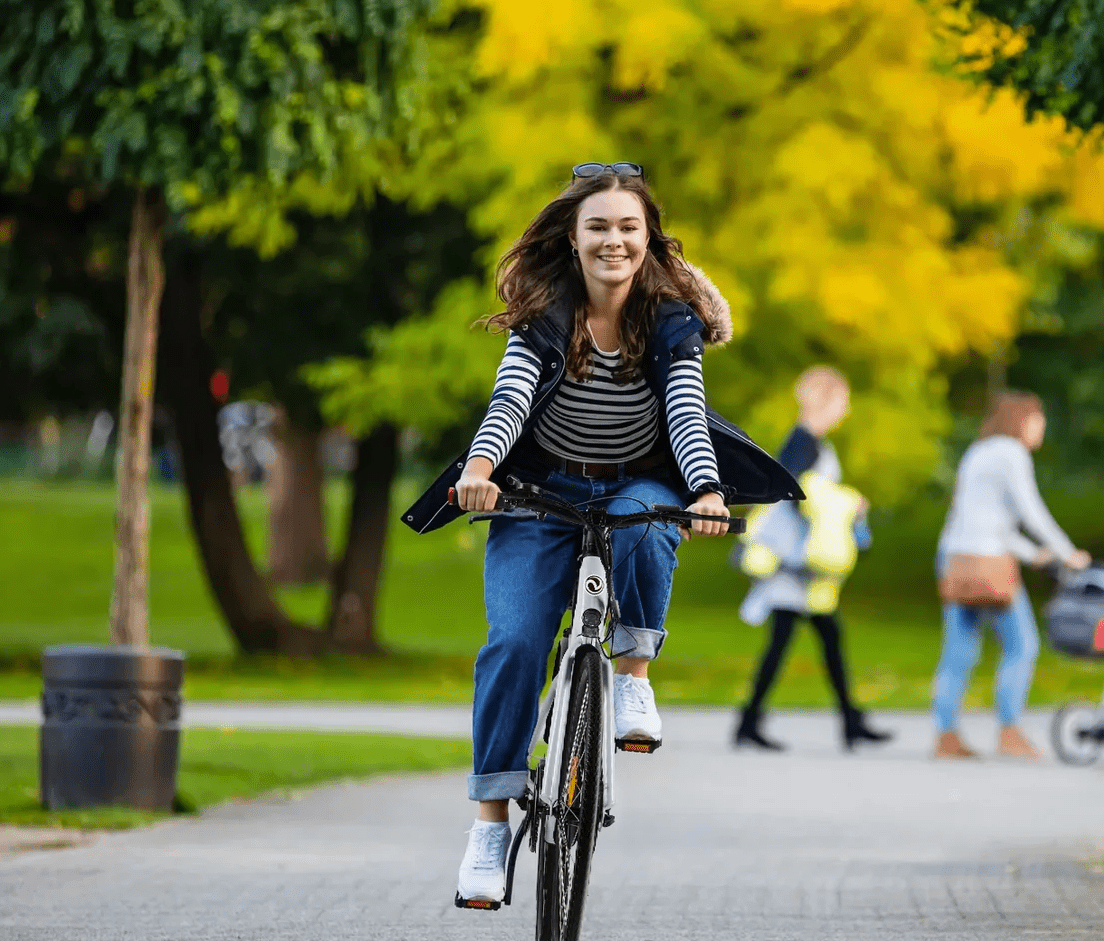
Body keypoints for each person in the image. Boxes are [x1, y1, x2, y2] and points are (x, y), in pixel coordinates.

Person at [401, 162, 800, 906]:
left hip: (637, 477)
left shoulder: (671, 321)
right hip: (540, 486)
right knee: (515, 640)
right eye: (598, 227)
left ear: (649, 239)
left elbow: (684, 411)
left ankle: (634, 675)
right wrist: (482, 466)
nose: (614, 240)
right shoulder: (546, 314)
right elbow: (511, 397)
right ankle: (490, 824)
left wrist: (707, 489)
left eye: (628, 226)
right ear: (574, 239)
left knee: (644, 524)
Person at [732, 366, 893, 752]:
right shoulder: (803, 442)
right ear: (824, 400)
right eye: (842, 401)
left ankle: (847, 721)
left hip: (804, 570)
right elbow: (794, 492)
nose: (846, 410)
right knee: (789, 642)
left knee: (824, 639)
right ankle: (754, 722)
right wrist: (846, 503)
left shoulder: (813, 443)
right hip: (796, 566)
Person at [932, 391, 1091, 760]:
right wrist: (1070, 554)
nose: (1041, 429)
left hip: (956, 556)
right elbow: (1030, 509)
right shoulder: (1011, 453)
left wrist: (1033, 554)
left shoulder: (980, 450)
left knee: (958, 650)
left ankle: (945, 735)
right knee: (1022, 644)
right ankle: (1010, 730)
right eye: (1038, 421)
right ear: (1021, 421)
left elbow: (986, 519)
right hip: (988, 562)